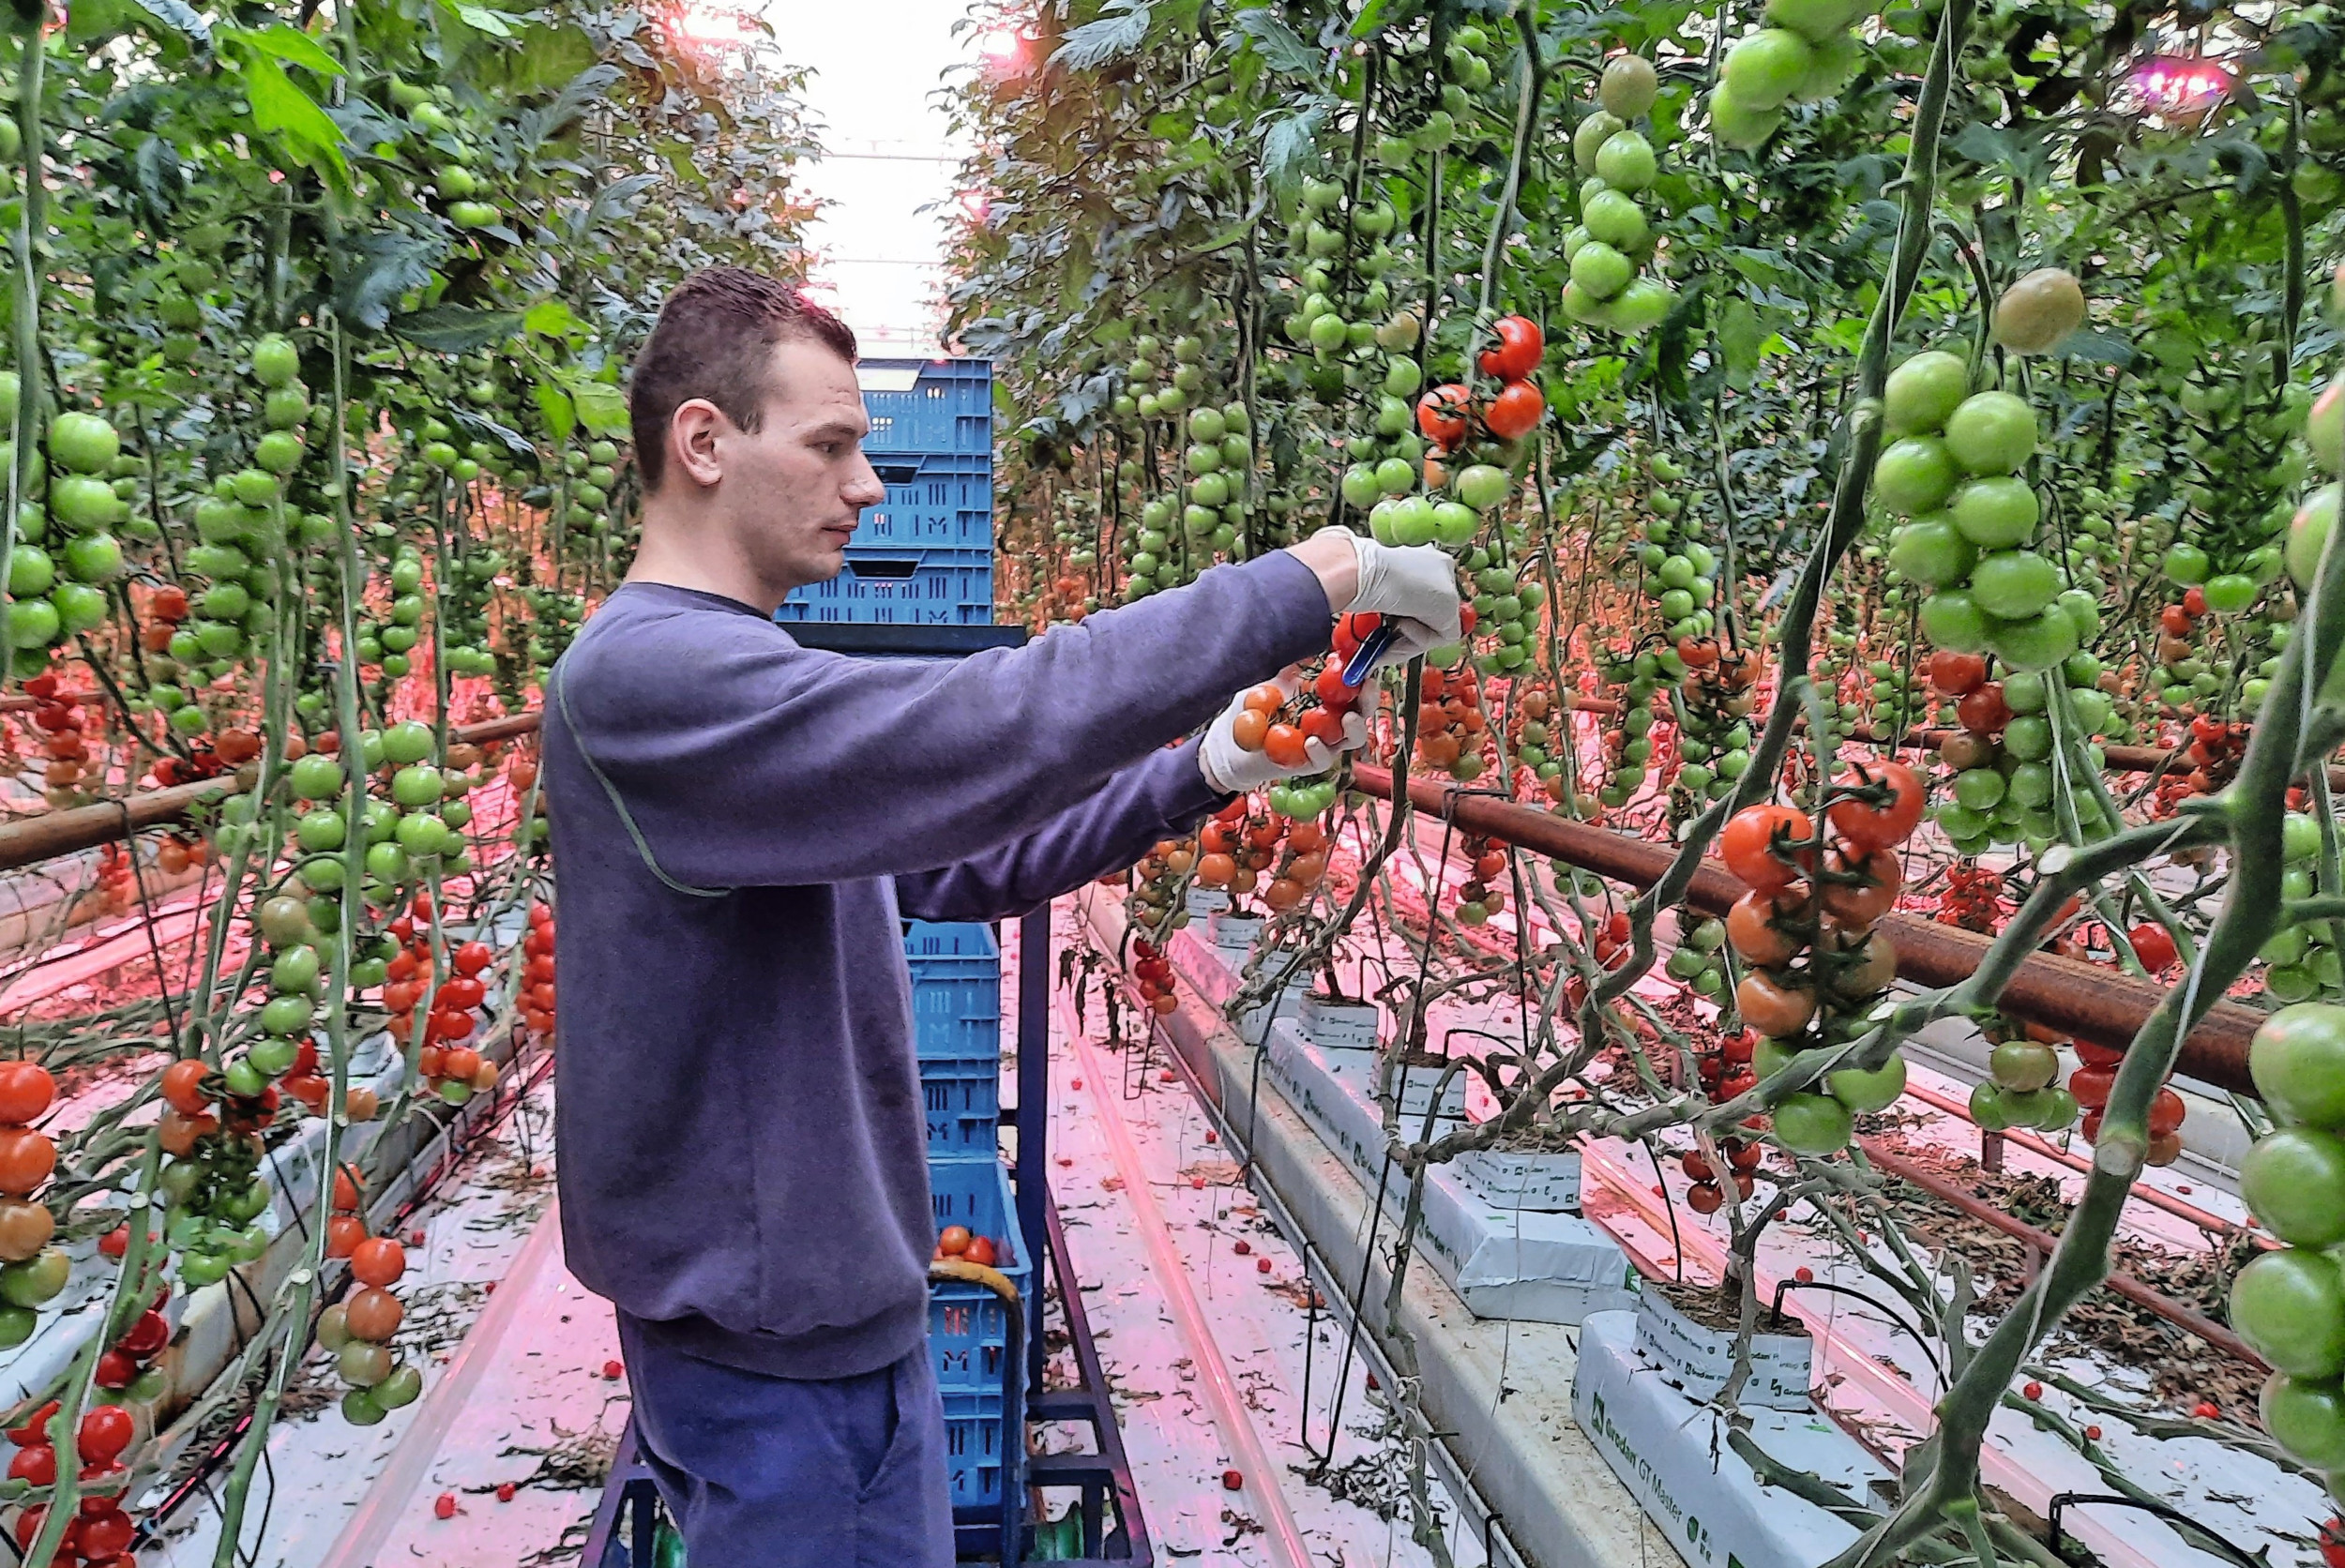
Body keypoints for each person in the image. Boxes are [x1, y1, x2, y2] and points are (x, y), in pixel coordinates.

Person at [542, 264, 1462, 1565]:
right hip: (780, 1358)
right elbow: (992, 722)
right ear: (704, 441)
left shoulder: (723, 673)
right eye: (831, 445)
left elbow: (956, 866)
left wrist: (1204, 770)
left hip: (810, 1326)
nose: (867, 485)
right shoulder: (650, 678)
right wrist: (1316, 576)